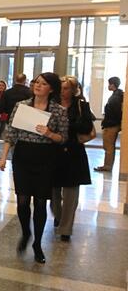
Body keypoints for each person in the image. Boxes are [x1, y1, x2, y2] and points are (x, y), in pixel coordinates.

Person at [0, 72, 68, 264]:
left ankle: (37, 243)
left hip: (45, 158)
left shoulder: (58, 111)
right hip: (23, 156)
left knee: (40, 202)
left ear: (51, 89)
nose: (38, 85)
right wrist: (3, 157)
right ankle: (26, 233)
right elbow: (11, 133)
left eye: (43, 84)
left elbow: (63, 138)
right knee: (22, 201)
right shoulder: (22, 106)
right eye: (36, 82)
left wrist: (49, 133)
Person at [52, 76, 94, 241]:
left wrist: (66, 123)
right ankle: (59, 216)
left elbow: (87, 127)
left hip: (73, 152)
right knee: (53, 193)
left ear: (74, 90)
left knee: (71, 195)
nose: (63, 92)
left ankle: (66, 229)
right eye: (61, 88)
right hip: (54, 151)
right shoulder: (52, 103)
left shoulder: (81, 105)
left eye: (67, 88)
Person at [94, 76, 123, 172]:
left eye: (109, 84)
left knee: (109, 146)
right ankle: (107, 165)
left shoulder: (115, 97)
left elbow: (115, 112)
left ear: (112, 85)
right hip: (112, 123)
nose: (108, 86)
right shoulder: (117, 95)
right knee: (108, 146)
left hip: (111, 124)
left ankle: (107, 166)